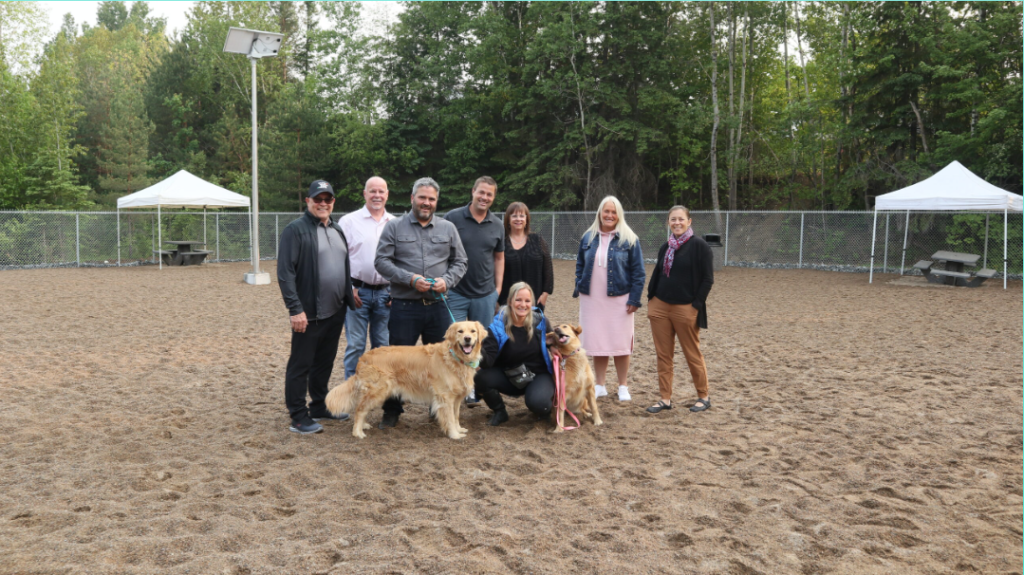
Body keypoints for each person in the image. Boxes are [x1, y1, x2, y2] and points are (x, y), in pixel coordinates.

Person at [374, 177, 468, 429]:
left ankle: (437, 408)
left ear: (436, 202)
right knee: (397, 363)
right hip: (404, 307)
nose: (426, 203)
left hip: (438, 307)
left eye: (431, 199)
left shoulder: (448, 228)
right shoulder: (394, 227)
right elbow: (381, 261)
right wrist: (410, 279)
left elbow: (461, 262)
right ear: (412, 198)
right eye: (422, 197)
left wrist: (446, 281)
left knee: (443, 362)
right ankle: (392, 411)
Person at [277, 180, 357, 434]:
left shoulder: (337, 229)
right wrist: (295, 309)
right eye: (318, 199)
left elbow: (341, 265)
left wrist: (348, 292)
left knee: (324, 362)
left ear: (333, 202)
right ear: (308, 201)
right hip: (308, 313)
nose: (323, 203)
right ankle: (299, 416)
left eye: (328, 199)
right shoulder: (296, 230)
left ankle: (320, 405)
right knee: (301, 364)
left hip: (335, 311)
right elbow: (285, 273)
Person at [573, 196, 646, 402]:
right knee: (598, 343)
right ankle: (600, 384)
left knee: (621, 343)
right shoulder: (588, 237)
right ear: (600, 213)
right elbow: (579, 264)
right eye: (606, 211)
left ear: (619, 215)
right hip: (592, 300)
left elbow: (638, 272)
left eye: (613, 212)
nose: (609, 215)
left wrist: (634, 298)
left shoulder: (629, 239)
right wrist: (579, 284)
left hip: (620, 299)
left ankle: (623, 386)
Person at [645, 206, 714, 414]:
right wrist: (651, 299)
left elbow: (707, 279)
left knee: (692, 353)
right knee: (663, 355)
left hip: (685, 308)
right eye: (673, 219)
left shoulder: (700, 246)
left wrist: (695, 306)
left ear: (689, 221)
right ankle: (665, 398)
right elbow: (658, 273)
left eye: (681, 219)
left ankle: (704, 396)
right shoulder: (666, 247)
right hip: (660, 306)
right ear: (668, 222)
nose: (677, 222)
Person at [474, 282, 555, 426]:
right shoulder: (497, 324)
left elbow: (554, 343)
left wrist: (557, 348)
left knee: (539, 404)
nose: (522, 304)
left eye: (527, 301)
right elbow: (488, 362)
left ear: (532, 303)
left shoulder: (541, 322)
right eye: (518, 300)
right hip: (509, 376)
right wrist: (476, 348)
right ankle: (500, 411)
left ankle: (543, 408)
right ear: (510, 301)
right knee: (480, 377)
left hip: (538, 375)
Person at [339, 176, 396, 379]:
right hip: (357, 293)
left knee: (383, 346)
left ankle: (380, 391)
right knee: (356, 345)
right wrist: (348, 287)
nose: (377, 195)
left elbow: (401, 261)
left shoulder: (395, 223)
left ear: (387, 194)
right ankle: (351, 391)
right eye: (372, 191)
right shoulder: (348, 221)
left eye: (381, 191)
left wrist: (395, 291)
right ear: (364, 194)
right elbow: (339, 257)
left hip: (386, 294)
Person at [443, 176, 505, 325]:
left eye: (489, 194)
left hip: (485, 296)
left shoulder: (498, 225)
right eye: (481, 192)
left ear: (494, 197)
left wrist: (498, 289)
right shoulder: (452, 218)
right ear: (473, 191)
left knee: (480, 343)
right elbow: (439, 253)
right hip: (455, 293)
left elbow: (499, 258)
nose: (484, 197)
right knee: (452, 342)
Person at [499, 202, 553, 311]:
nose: (518, 219)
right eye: (514, 216)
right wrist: (496, 301)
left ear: (526, 219)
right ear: (508, 220)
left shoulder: (537, 240)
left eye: (521, 216)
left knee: (533, 327)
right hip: (507, 302)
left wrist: (545, 295)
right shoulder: (501, 242)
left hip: (534, 301)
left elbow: (548, 270)